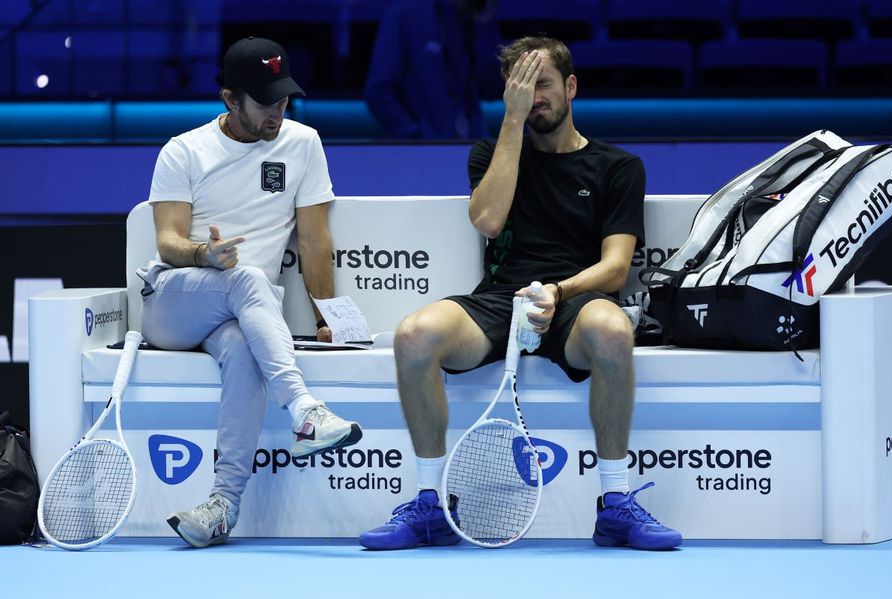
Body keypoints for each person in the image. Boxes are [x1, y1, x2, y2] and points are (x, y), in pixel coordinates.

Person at [359, 36, 682, 551]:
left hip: (574, 300)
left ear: (571, 87)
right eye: (522, 88)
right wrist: (511, 122)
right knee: (415, 335)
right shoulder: (492, 153)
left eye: (544, 84)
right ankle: (430, 507)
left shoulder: (618, 167)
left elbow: (617, 267)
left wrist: (559, 289)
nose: (535, 98)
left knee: (615, 331)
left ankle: (616, 506)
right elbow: (487, 221)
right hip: (499, 299)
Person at [138, 36, 363, 548]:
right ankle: (304, 409)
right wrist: (203, 255)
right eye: (265, 102)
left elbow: (313, 239)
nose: (278, 111)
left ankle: (222, 506)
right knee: (249, 278)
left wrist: (328, 313)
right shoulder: (185, 150)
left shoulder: (303, 143)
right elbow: (168, 241)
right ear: (229, 98)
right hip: (175, 302)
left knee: (245, 348)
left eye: (284, 99)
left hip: (240, 316)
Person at [364, 0, 502, 140]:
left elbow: (491, 89)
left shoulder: (476, 17)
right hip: (426, 152)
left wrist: (483, 26)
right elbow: (379, 92)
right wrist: (416, 137)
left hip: (471, 144)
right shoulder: (405, 13)